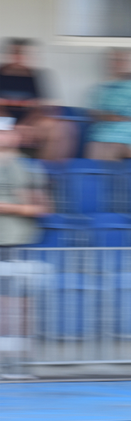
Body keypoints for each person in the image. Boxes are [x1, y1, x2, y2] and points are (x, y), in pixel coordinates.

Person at [0, 117, 52, 379]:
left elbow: (43, 207)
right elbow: (30, 206)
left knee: (19, 302)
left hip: (18, 242)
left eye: (6, 131)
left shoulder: (30, 168)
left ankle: (17, 361)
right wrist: (21, 206)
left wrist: (21, 207)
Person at [0, 38, 75, 161]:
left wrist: (26, 124)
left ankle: (45, 170)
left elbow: (44, 105)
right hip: (3, 119)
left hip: (31, 121)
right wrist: (12, 126)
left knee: (60, 128)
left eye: (22, 53)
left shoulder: (38, 76)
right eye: (15, 53)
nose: (18, 57)